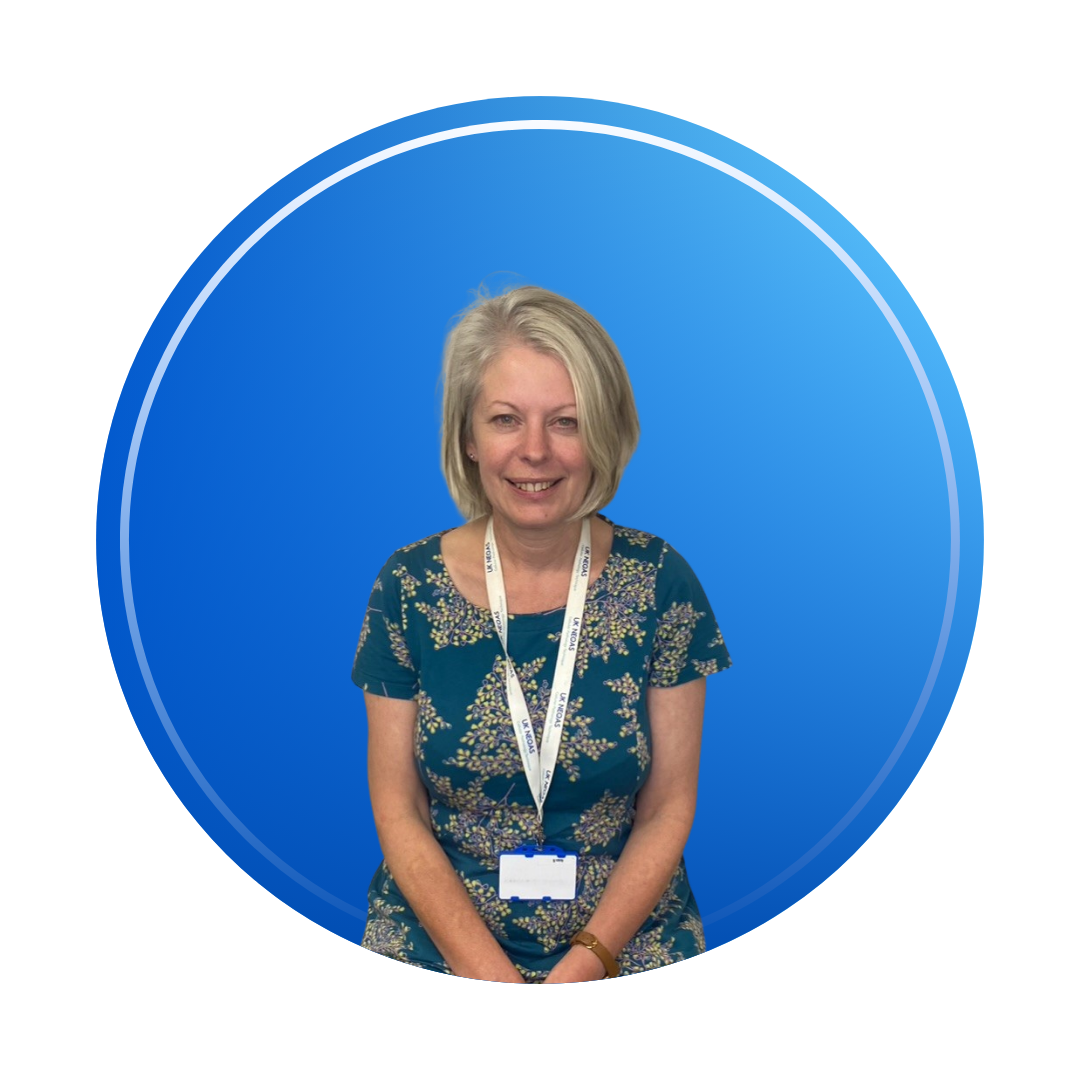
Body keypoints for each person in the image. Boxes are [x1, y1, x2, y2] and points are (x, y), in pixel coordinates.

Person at [352, 285, 731, 982]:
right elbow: (398, 807)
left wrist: (584, 969)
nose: (534, 451)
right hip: (437, 942)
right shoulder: (407, 587)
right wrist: (490, 980)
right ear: (468, 438)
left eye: (566, 422)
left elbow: (668, 807)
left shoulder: (660, 582)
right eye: (505, 420)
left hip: (624, 942)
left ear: (603, 434)